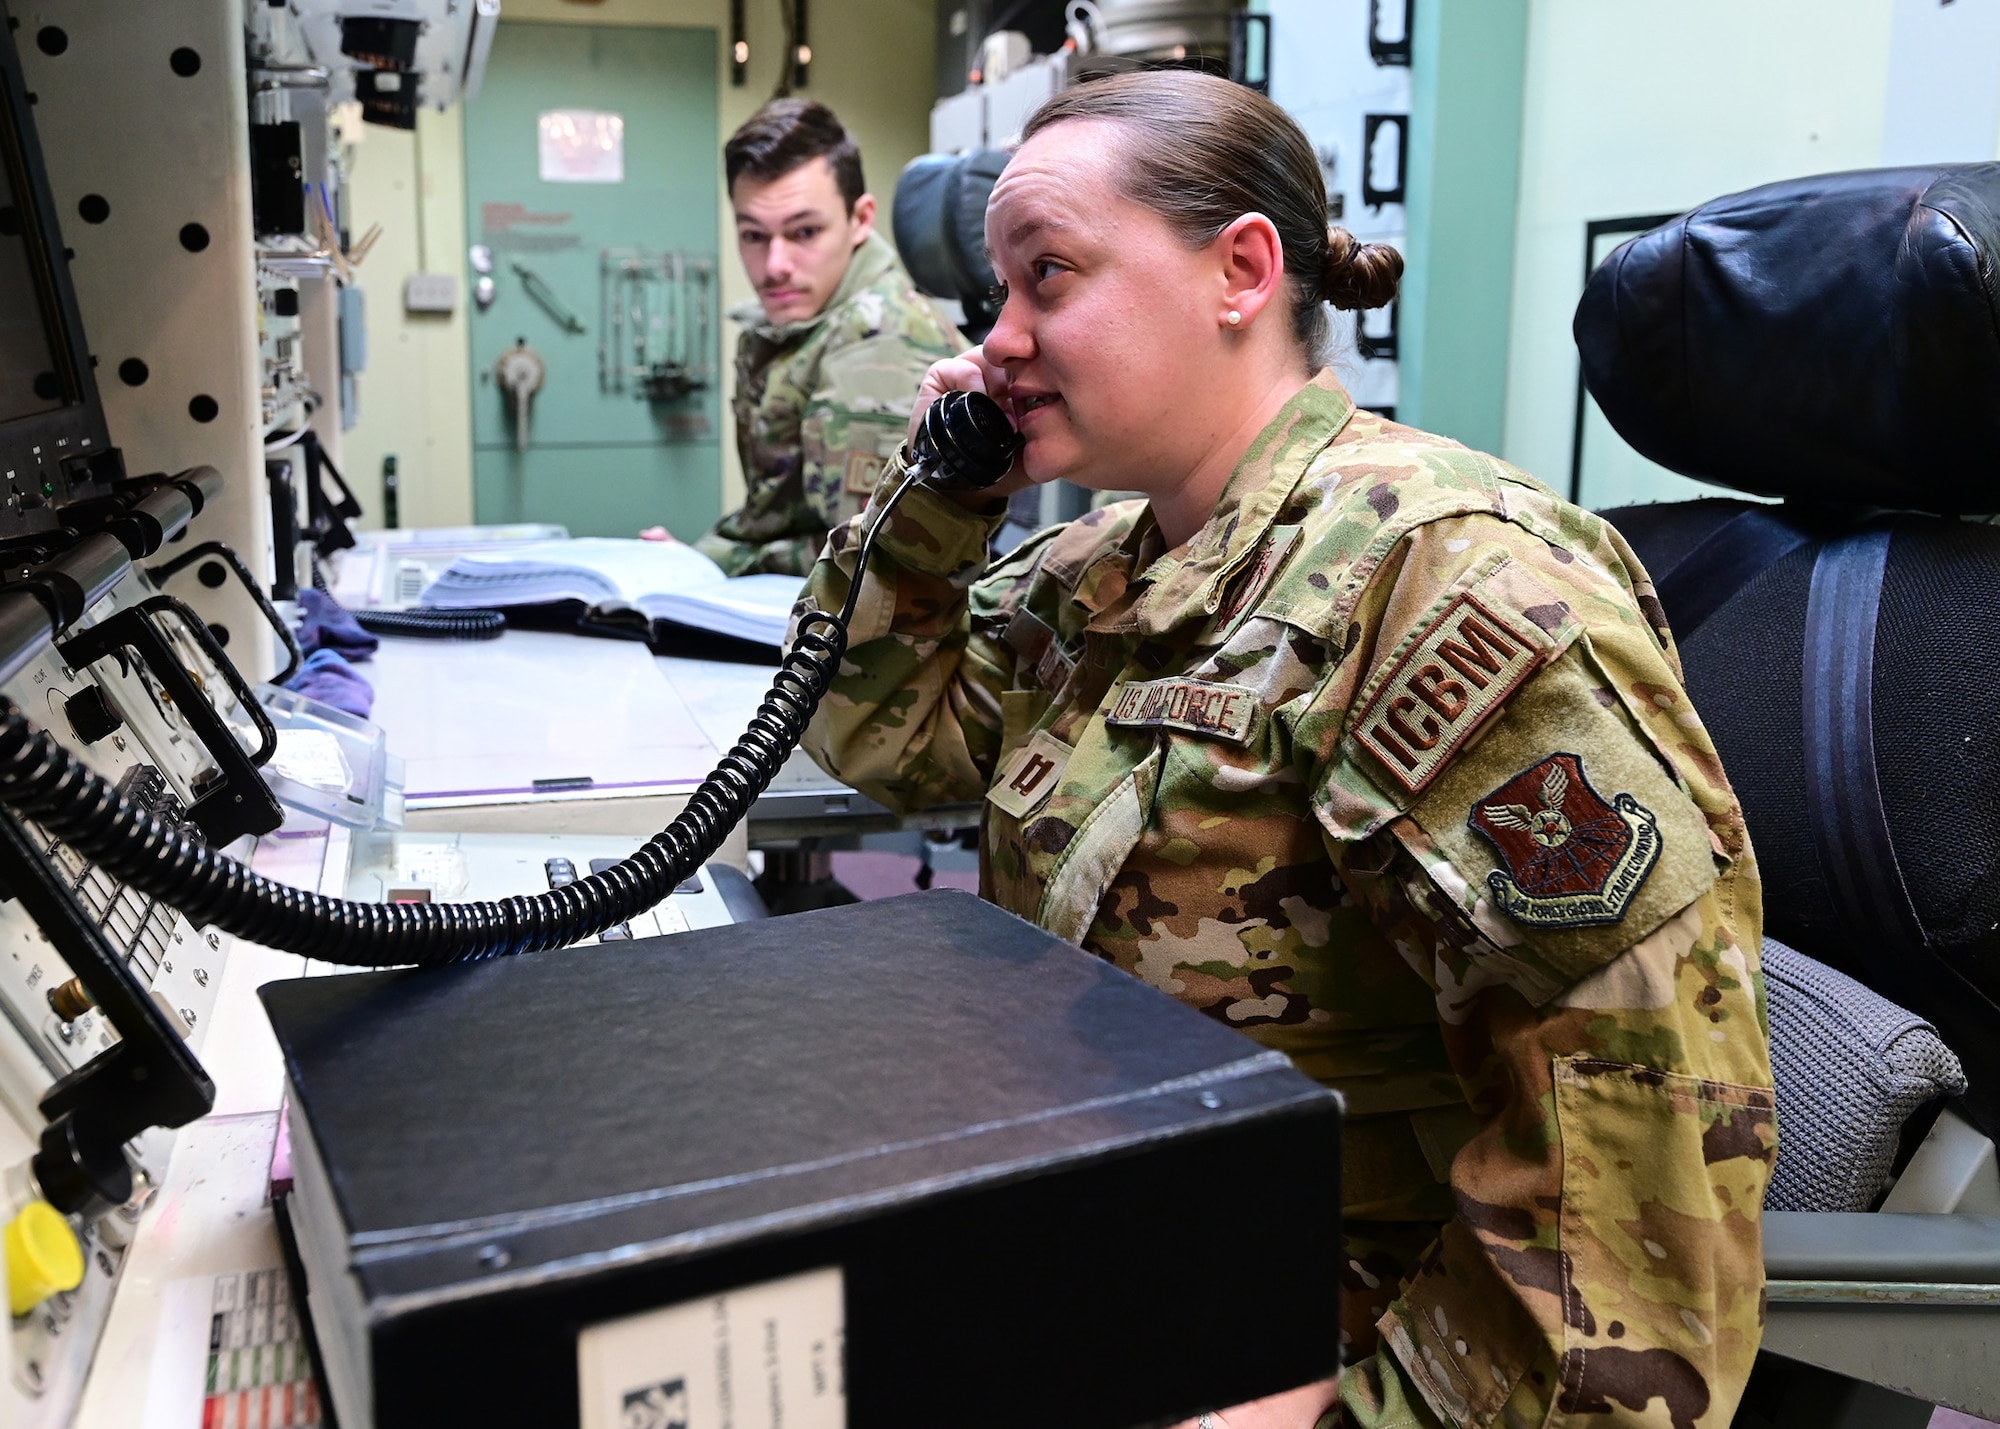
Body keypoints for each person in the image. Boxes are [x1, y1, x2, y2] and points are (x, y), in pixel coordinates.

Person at [800, 71, 1775, 1429]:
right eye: (997, 292)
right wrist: (935, 500)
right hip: (1096, 1233)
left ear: (1240, 273)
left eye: (1047, 277)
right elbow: (882, 732)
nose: (998, 339)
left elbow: (1635, 1172)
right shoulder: (1103, 571)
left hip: (1305, 1342)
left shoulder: (1444, 586)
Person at [694, 99, 964, 577]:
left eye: (804, 232)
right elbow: (781, 518)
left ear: (860, 220)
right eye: (754, 235)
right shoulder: (798, 324)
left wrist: (712, 564)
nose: (775, 265)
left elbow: (869, 557)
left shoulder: (881, 340)